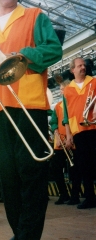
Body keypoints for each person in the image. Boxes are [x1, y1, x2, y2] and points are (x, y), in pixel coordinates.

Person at [0, 0, 62, 239]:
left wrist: (22, 55)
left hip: (30, 103)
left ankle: (27, 235)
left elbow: (53, 49)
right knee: (7, 175)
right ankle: (20, 231)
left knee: (31, 172)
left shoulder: (34, 15)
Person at [63, 57, 96, 209]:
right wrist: (69, 135)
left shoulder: (94, 82)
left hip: (94, 127)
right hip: (79, 131)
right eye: (79, 65)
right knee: (84, 166)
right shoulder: (67, 90)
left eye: (84, 65)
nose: (83, 67)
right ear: (72, 70)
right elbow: (66, 115)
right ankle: (90, 197)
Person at [49, 80, 80, 205]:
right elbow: (54, 122)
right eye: (61, 90)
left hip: (73, 140)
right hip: (60, 142)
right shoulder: (58, 106)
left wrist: (70, 137)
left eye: (63, 89)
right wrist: (56, 132)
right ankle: (63, 194)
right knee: (56, 168)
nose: (62, 92)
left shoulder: (74, 103)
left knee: (76, 169)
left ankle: (75, 195)